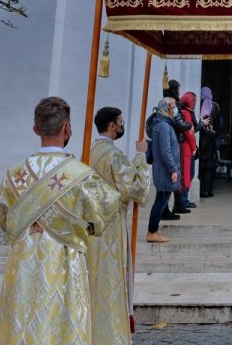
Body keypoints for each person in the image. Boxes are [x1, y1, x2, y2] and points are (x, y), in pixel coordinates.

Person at [0, 96, 120, 345]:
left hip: (23, 265)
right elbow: (107, 206)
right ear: (67, 128)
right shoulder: (80, 175)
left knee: (23, 320)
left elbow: (3, 219)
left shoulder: (14, 174)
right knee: (64, 322)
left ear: (36, 129)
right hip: (65, 262)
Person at [86, 107, 154, 345]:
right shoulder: (113, 156)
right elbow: (134, 188)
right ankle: (110, 330)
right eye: (121, 122)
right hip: (111, 227)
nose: (122, 126)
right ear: (112, 126)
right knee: (110, 277)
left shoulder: (90, 150)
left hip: (90, 226)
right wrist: (140, 156)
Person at [146, 97, 182, 243]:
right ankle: (152, 231)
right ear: (166, 109)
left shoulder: (164, 125)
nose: (175, 110)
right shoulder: (163, 126)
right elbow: (165, 151)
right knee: (161, 201)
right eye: (173, 107)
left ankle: (154, 230)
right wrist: (173, 169)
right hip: (165, 171)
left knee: (161, 200)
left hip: (164, 170)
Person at [176, 92, 199, 212]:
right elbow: (189, 133)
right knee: (186, 174)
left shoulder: (185, 112)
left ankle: (184, 200)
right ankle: (183, 200)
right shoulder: (186, 113)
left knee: (188, 173)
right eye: (193, 101)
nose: (194, 103)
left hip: (187, 147)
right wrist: (194, 147)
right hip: (186, 148)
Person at [198, 87, 221, 198]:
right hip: (210, 142)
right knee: (208, 168)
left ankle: (202, 190)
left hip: (202, 140)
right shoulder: (214, 106)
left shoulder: (199, 104)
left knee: (203, 167)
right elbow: (216, 125)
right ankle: (207, 190)